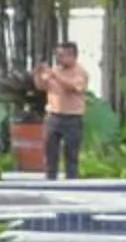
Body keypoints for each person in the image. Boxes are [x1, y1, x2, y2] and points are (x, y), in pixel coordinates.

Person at [32, 41, 92, 180]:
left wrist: (54, 75)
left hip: (72, 117)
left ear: (72, 56)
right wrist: (38, 73)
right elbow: (41, 86)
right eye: (57, 55)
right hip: (53, 116)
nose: (58, 58)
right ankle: (50, 180)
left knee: (71, 154)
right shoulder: (55, 70)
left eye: (61, 55)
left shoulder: (80, 72)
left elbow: (73, 88)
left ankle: (71, 182)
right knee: (50, 152)